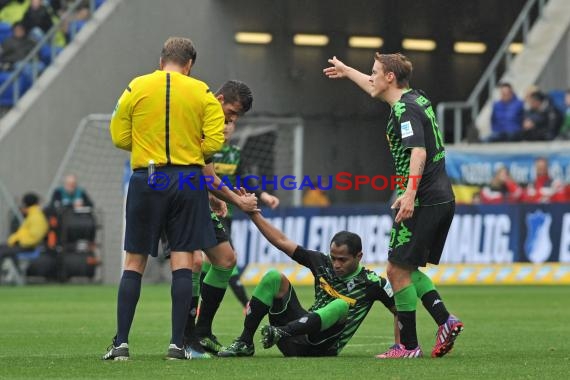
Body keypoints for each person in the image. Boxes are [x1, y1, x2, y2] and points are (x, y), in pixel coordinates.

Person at [323, 53, 463, 358]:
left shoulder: (404, 109)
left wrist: (410, 194)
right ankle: (445, 320)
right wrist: (347, 72)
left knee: (395, 270)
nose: (370, 77)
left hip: (422, 199)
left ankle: (408, 345)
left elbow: (418, 154)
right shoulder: (416, 98)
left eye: (375, 72)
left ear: (390, 78)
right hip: (441, 197)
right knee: (405, 268)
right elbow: (374, 87)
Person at [103, 36, 227, 361]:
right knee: (183, 261)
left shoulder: (136, 87)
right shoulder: (201, 92)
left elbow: (118, 135)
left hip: (148, 177)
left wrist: (146, 145)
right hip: (187, 179)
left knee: (134, 262)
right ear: (189, 66)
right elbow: (215, 140)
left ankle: (121, 345)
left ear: (162, 61)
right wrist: (188, 151)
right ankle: (176, 345)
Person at [217, 209, 399, 357]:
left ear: (359, 256)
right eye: (333, 258)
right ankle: (245, 342)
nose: (336, 264)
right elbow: (281, 241)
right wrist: (253, 214)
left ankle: (282, 331)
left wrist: (399, 346)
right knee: (273, 277)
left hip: (321, 347)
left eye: (342, 260)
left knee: (341, 305)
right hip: (294, 338)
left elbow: (401, 310)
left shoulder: (373, 283)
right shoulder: (321, 262)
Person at [0, 192, 48, 262]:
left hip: (28, 247)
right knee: (2, 248)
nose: (22, 207)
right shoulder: (33, 214)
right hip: (24, 245)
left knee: (2, 252)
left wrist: (18, 241)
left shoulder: (36, 217)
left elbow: (35, 237)